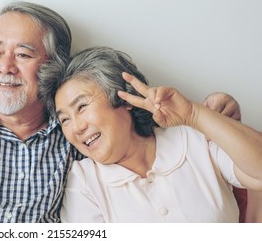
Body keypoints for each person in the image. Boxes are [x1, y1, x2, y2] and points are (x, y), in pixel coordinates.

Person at [0, 1, 242, 222]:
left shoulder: (76, 134)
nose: (5, 66)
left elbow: (137, 137)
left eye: (23, 54)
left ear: (54, 67)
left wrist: (210, 115)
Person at [38, 46, 262, 222]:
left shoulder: (192, 139)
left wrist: (195, 115)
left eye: (82, 107)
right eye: (64, 119)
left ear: (123, 99)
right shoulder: (84, 181)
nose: (76, 127)